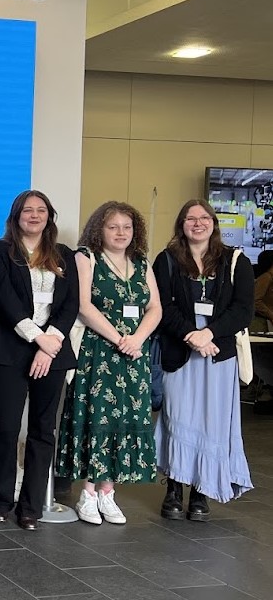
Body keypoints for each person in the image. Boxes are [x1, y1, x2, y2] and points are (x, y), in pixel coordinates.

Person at [56, 202, 161, 525]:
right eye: (113, 226)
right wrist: (119, 339)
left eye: (126, 227)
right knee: (95, 419)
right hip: (98, 354)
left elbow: (155, 308)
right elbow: (84, 307)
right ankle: (87, 494)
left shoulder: (141, 262)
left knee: (125, 421)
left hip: (134, 358)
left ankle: (107, 493)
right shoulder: (85, 258)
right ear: (99, 229)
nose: (120, 233)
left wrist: (137, 340)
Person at [153, 199, 253, 521]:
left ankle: (201, 492)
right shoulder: (166, 260)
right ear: (181, 225)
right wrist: (191, 336)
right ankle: (174, 488)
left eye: (204, 217)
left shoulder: (236, 261)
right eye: (190, 218)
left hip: (218, 356)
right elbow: (162, 307)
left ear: (214, 222)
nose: (198, 223)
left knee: (211, 423)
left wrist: (208, 334)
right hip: (180, 352)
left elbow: (243, 310)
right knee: (177, 418)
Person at [0, 190, 79, 530]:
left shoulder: (64, 255)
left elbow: (71, 304)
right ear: (16, 216)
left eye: (41, 210)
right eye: (28, 210)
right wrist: (36, 338)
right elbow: (4, 299)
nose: (34, 215)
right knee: (7, 428)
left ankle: (31, 505)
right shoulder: (0, 251)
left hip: (51, 352)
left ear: (49, 217)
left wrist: (49, 342)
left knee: (43, 430)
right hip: (12, 350)